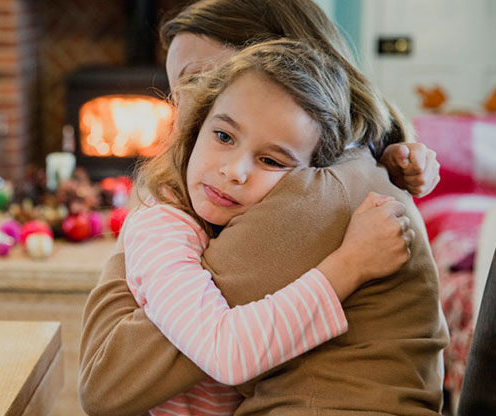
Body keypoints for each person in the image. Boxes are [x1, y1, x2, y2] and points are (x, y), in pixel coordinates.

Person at [78, 1, 448, 415]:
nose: (182, 114)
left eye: (200, 80)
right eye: (176, 92)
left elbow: (106, 383)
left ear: (276, 59)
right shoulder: (348, 161)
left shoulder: (312, 195)